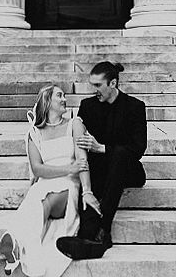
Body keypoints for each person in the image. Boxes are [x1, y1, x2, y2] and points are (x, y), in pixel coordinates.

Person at [0, 83, 101, 277]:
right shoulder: (34, 134)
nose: (65, 99)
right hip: (46, 182)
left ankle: (8, 240)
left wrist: (87, 191)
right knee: (36, 199)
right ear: (47, 101)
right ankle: (12, 245)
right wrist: (68, 168)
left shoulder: (75, 125)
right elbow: (37, 169)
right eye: (60, 96)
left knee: (44, 202)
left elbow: (82, 162)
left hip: (68, 188)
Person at [56, 61, 147, 260]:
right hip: (103, 170)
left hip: (129, 169)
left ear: (113, 83)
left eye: (98, 85)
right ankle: (89, 237)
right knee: (91, 169)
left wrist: (102, 148)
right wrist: (86, 188)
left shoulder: (135, 106)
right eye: (92, 85)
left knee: (120, 155)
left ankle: (103, 227)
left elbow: (138, 149)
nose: (94, 90)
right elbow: (80, 142)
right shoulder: (87, 106)